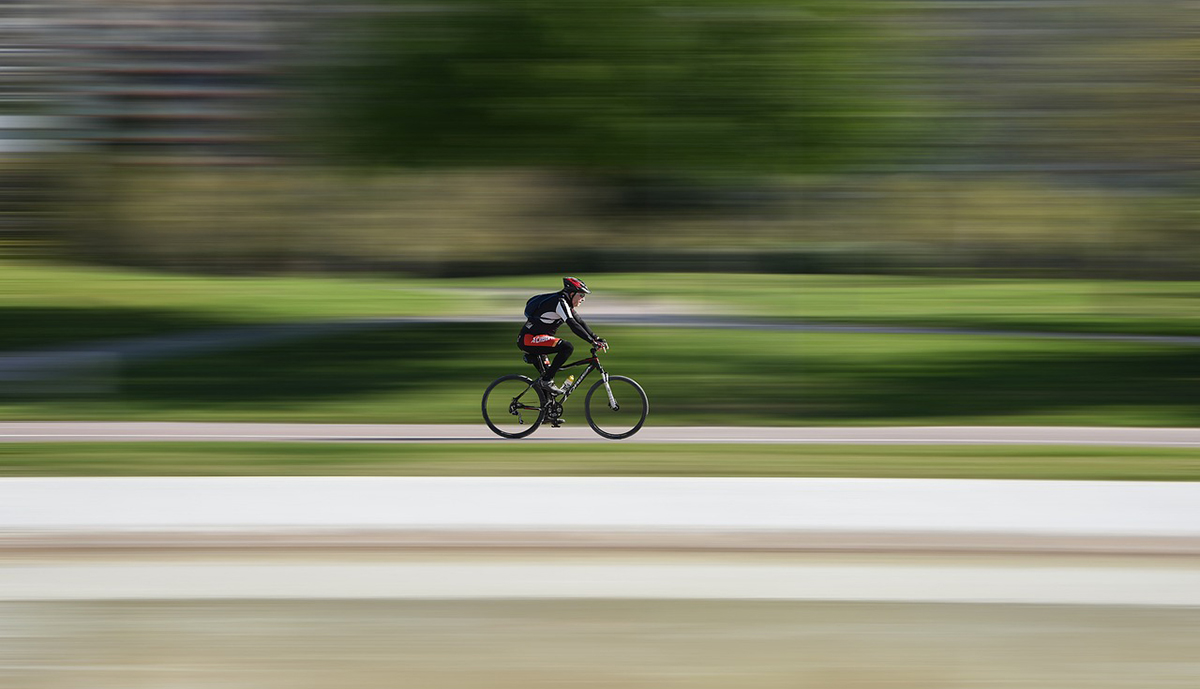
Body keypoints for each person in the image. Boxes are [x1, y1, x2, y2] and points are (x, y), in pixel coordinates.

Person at [518, 276, 608, 395]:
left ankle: (547, 408)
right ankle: (547, 381)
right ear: (571, 293)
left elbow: (579, 322)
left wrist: (595, 338)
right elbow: (573, 325)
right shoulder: (560, 302)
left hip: (536, 339)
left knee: (548, 391)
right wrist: (591, 342)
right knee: (567, 347)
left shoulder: (565, 303)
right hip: (529, 339)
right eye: (581, 295)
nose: (583, 299)